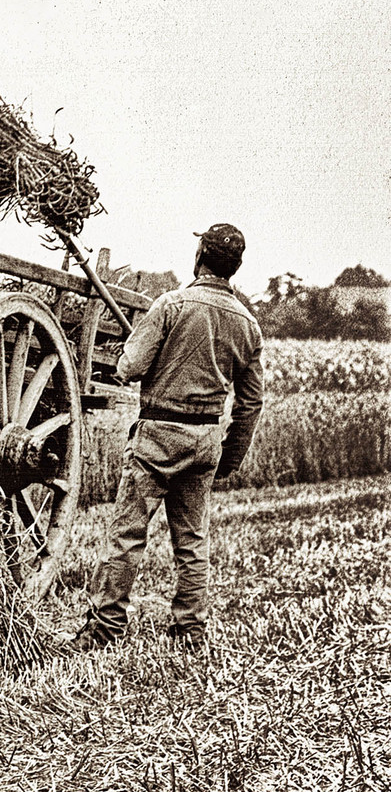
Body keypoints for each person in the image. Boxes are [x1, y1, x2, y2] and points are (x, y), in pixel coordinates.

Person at [75, 224, 264, 651]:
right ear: (234, 267)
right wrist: (229, 457)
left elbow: (131, 366)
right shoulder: (249, 325)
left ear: (200, 256)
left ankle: (105, 629)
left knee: (127, 534)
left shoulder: (172, 305)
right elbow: (251, 403)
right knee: (193, 540)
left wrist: (127, 358)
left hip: (158, 435)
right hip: (204, 440)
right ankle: (190, 631)